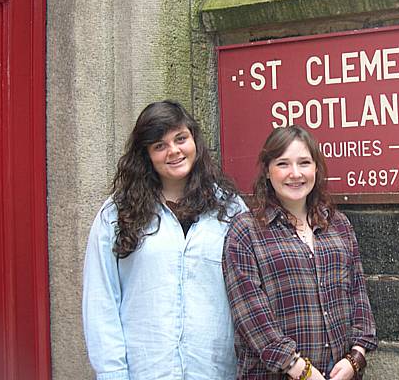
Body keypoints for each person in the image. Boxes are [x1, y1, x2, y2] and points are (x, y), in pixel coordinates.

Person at [83, 100, 247, 380]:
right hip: (145, 369)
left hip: (215, 369)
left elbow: (248, 293)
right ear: (146, 155)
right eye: (159, 145)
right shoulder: (117, 213)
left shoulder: (229, 209)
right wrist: (112, 372)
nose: (174, 151)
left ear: (193, 139)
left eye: (180, 138)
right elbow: (101, 299)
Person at [223, 125, 377, 380]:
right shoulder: (245, 230)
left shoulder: (338, 224)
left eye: (304, 162)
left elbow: (358, 295)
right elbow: (249, 313)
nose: (295, 174)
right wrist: (298, 368)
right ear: (268, 172)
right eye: (283, 164)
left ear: (316, 167)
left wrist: (356, 357)